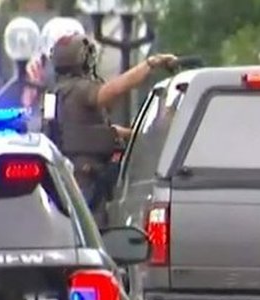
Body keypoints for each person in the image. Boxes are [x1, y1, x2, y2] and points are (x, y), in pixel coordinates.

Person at [47, 33, 177, 224]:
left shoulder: (60, 91)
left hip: (77, 172)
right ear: (85, 59)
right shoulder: (80, 90)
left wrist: (135, 134)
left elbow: (88, 132)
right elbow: (112, 91)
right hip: (86, 176)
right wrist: (150, 64)